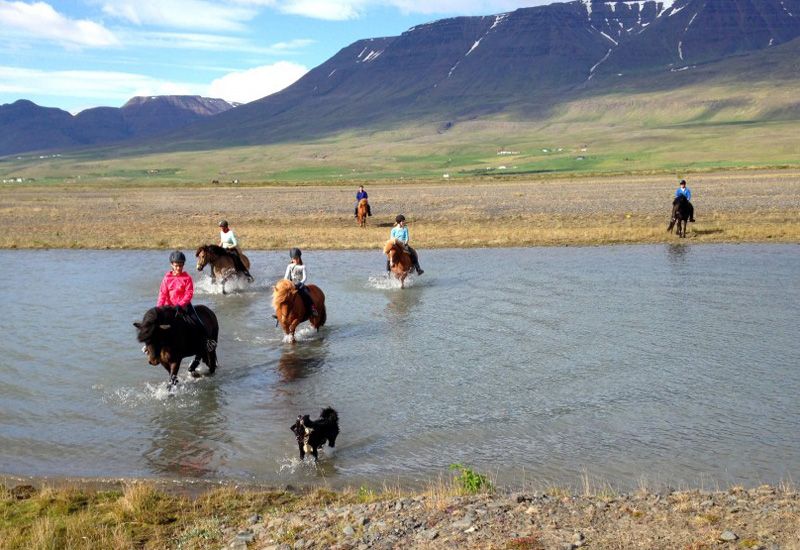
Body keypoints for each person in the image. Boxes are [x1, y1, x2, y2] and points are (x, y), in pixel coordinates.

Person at [157, 251, 215, 350]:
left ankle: (208, 341)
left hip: (184, 306)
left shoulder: (187, 278)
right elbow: (162, 294)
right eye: (176, 266)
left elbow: (189, 294)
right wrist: (159, 309)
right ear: (172, 265)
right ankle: (150, 345)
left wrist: (180, 304)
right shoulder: (166, 278)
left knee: (197, 322)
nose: (178, 268)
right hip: (169, 307)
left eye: (181, 265)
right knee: (156, 323)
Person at [284, 248, 319, 317]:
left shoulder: (303, 267)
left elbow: (305, 277)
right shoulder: (289, 266)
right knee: (281, 295)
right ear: (292, 259)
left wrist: (300, 283)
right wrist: (287, 283)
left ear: (299, 258)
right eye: (294, 259)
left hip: (300, 285)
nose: (296, 260)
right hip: (291, 285)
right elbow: (286, 277)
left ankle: (313, 309)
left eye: (297, 258)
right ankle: (278, 312)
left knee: (306, 294)